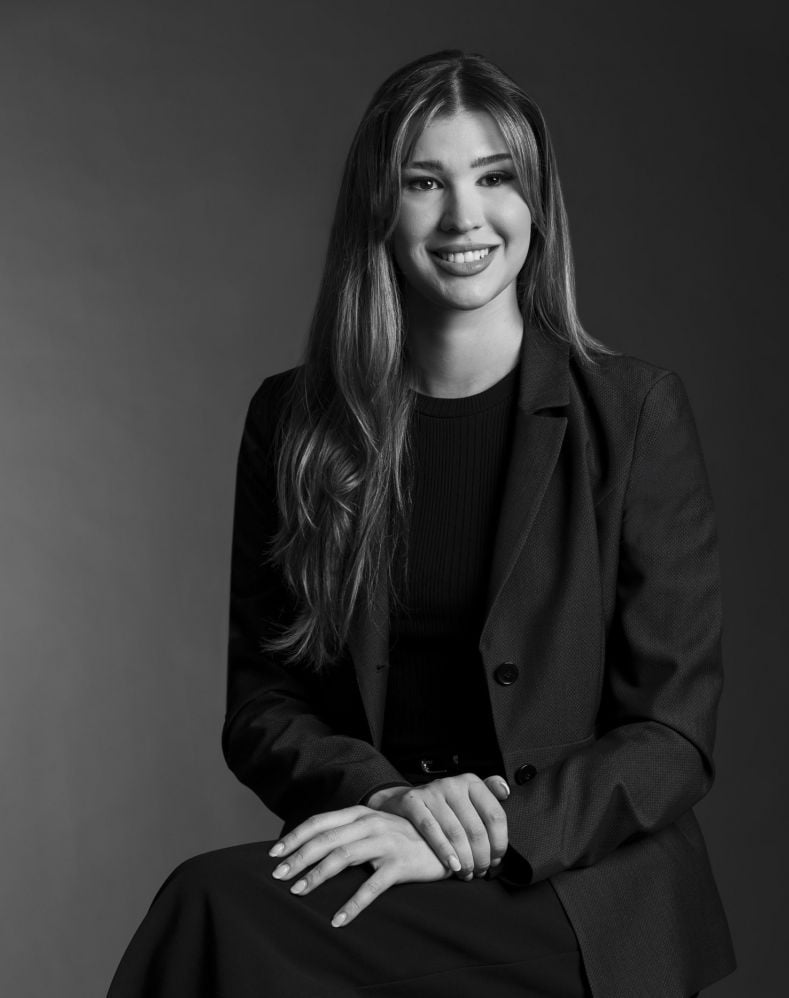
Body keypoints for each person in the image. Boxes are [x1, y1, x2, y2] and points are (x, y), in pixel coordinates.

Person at [106, 49, 736, 997]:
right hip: (389, 842)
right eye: (424, 183)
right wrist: (392, 801)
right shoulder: (292, 422)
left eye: (495, 178)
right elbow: (265, 704)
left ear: (536, 203)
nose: (464, 218)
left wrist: (484, 833)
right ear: (379, 206)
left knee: (220, 917)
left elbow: (672, 734)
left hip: (576, 884)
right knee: (211, 907)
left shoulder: (636, 413)